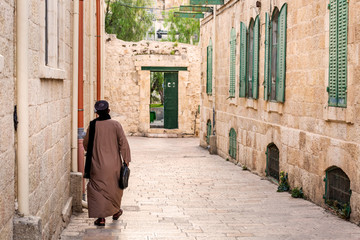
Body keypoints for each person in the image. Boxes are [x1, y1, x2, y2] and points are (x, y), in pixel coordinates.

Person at [83, 100, 131, 226]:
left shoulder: (92, 126)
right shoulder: (116, 125)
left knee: (97, 190)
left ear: (96, 113)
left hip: (97, 164)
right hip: (114, 165)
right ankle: (116, 212)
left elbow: (86, 144)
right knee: (114, 189)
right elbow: (123, 144)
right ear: (108, 111)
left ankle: (101, 218)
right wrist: (126, 160)